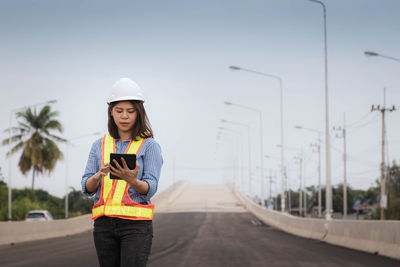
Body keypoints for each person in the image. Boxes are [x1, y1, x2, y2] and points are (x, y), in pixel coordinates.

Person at [81, 78, 163, 267]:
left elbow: (150, 188)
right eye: (119, 111)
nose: (124, 116)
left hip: (136, 226)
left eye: (130, 111)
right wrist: (97, 176)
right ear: (111, 111)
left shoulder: (149, 146)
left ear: (139, 113)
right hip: (104, 226)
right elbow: (86, 186)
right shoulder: (99, 145)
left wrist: (132, 180)